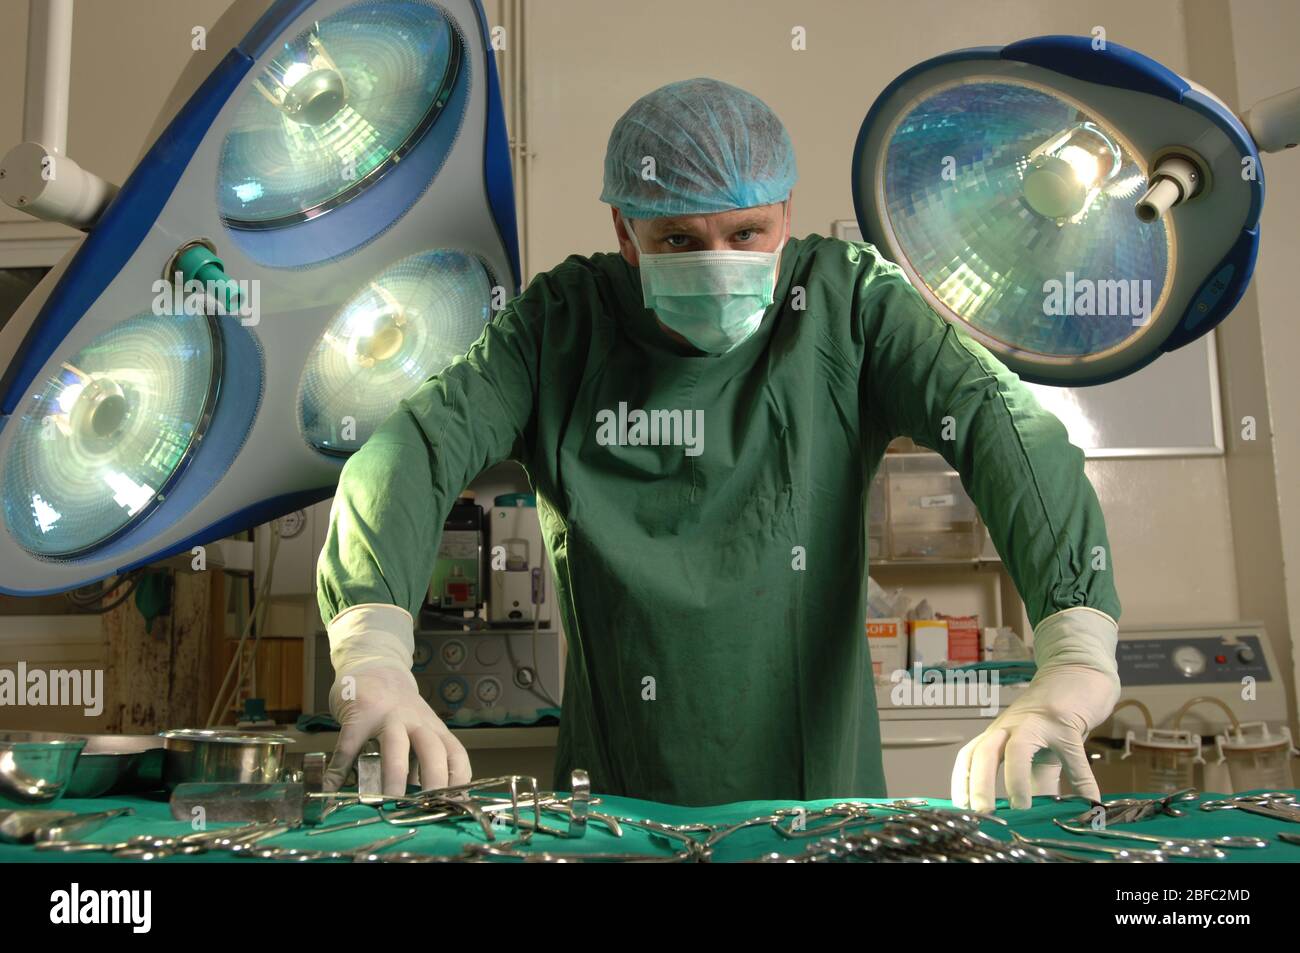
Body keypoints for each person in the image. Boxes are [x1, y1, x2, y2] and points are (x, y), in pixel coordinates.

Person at [315, 78, 1122, 811]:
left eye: (746, 233)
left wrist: (1075, 650)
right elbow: (408, 455)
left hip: (821, 810)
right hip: (619, 805)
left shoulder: (845, 306)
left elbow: (1004, 427)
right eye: (678, 240)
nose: (719, 264)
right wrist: (374, 647)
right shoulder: (562, 327)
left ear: (787, 218)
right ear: (625, 234)